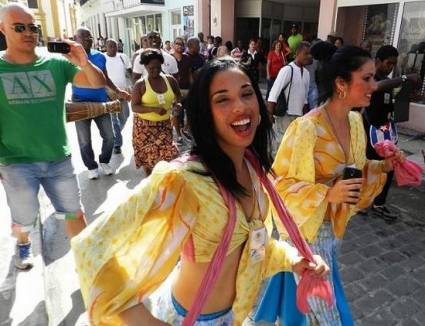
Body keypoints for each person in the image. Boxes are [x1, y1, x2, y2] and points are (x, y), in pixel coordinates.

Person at [71, 57, 329, 325]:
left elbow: (252, 247)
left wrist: (294, 259)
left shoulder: (254, 169)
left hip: (236, 316)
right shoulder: (184, 181)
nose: (240, 106)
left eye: (247, 94)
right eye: (222, 99)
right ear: (204, 114)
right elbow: (93, 248)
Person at [256, 45, 403, 325]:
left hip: (334, 229)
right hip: (308, 232)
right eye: (367, 78)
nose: (375, 85)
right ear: (341, 84)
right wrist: (326, 193)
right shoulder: (306, 128)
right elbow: (279, 185)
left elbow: (355, 172)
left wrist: (384, 166)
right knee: (327, 311)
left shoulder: (355, 121)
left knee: (305, 307)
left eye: (374, 78)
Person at [0, 3, 104, 269]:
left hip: (59, 159)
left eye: (33, 27)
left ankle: (88, 265)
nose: (29, 33)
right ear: (3, 29)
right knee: (24, 217)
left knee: (74, 214)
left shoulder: (57, 63)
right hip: (16, 162)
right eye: (19, 27)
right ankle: (23, 245)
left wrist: (83, 61)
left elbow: (96, 83)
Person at [363, 45, 419, 221]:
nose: (390, 67)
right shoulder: (370, 78)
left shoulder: (389, 81)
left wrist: (405, 97)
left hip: (386, 132)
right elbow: (377, 87)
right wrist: (404, 78)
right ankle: (364, 202)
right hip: (369, 131)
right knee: (368, 168)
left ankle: (379, 203)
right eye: (388, 63)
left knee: (389, 168)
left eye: (394, 64)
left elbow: (388, 102)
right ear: (377, 61)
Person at [73, 27, 129, 179]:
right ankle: (91, 166)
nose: (88, 39)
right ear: (75, 39)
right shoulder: (70, 57)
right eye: (84, 37)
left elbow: (105, 78)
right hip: (79, 102)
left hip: (100, 101)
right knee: (84, 140)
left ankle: (104, 161)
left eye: (90, 37)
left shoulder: (100, 56)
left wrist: (118, 91)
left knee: (110, 136)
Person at [131, 49, 181, 175]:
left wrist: (177, 104)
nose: (155, 71)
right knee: (149, 162)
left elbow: (178, 96)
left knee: (169, 157)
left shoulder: (170, 80)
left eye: (158, 67)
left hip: (164, 126)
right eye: (151, 68)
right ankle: (150, 187)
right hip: (144, 128)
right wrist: (153, 109)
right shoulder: (140, 84)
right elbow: (134, 107)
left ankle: (165, 185)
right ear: (145, 66)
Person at [267, 42, 312, 152]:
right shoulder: (287, 70)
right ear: (297, 53)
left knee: (293, 146)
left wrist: (306, 116)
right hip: (285, 115)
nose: (309, 56)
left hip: (298, 116)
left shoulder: (306, 73)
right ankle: (275, 167)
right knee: (281, 144)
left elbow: (305, 97)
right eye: (306, 54)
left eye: (310, 54)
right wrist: (269, 113)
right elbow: (273, 93)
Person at [105, 38, 133, 154]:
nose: (113, 48)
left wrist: (133, 84)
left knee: (125, 115)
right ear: (106, 47)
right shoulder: (103, 58)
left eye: (115, 46)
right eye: (110, 46)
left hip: (123, 92)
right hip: (108, 93)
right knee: (114, 119)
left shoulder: (123, 57)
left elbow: (130, 71)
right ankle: (117, 144)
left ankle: (115, 134)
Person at [172, 36, 191, 144]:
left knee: (191, 111)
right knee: (176, 113)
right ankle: (178, 135)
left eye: (181, 44)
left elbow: (189, 74)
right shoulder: (169, 58)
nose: (179, 45)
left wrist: (193, 87)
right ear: (173, 45)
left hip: (187, 89)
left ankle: (185, 129)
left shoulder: (187, 58)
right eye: (177, 43)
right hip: (175, 91)